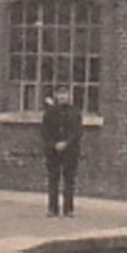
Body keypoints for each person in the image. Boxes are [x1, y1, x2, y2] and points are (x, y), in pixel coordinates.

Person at [41, 85, 83, 217]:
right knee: (53, 179)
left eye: (65, 94)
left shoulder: (75, 112)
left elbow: (77, 131)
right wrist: (53, 144)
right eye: (60, 94)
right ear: (56, 96)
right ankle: (52, 208)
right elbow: (45, 132)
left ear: (69, 96)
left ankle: (68, 209)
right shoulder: (49, 113)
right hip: (53, 151)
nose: (62, 97)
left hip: (70, 150)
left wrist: (66, 143)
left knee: (69, 179)